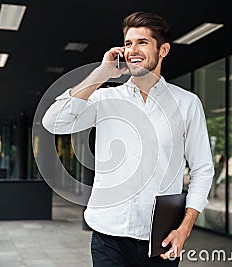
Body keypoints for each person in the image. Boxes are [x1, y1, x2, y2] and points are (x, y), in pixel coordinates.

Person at [42, 12, 214, 267]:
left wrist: (185, 227)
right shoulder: (106, 99)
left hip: (161, 239)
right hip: (108, 237)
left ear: (163, 50)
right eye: (128, 43)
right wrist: (101, 73)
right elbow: (54, 121)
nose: (132, 49)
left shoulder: (187, 103)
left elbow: (202, 169)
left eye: (142, 42)